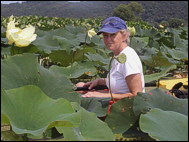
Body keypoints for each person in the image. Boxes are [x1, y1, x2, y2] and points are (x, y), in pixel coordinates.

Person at [76, 17, 145, 101]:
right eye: (105, 35)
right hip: (117, 100)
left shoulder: (128, 58)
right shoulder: (119, 56)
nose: (108, 39)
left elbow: (136, 95)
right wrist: (100, 81)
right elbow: (119, 80)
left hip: (126, 108)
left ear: (124, 36)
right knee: (80, 86)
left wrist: (101, 95)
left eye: (113, 34)